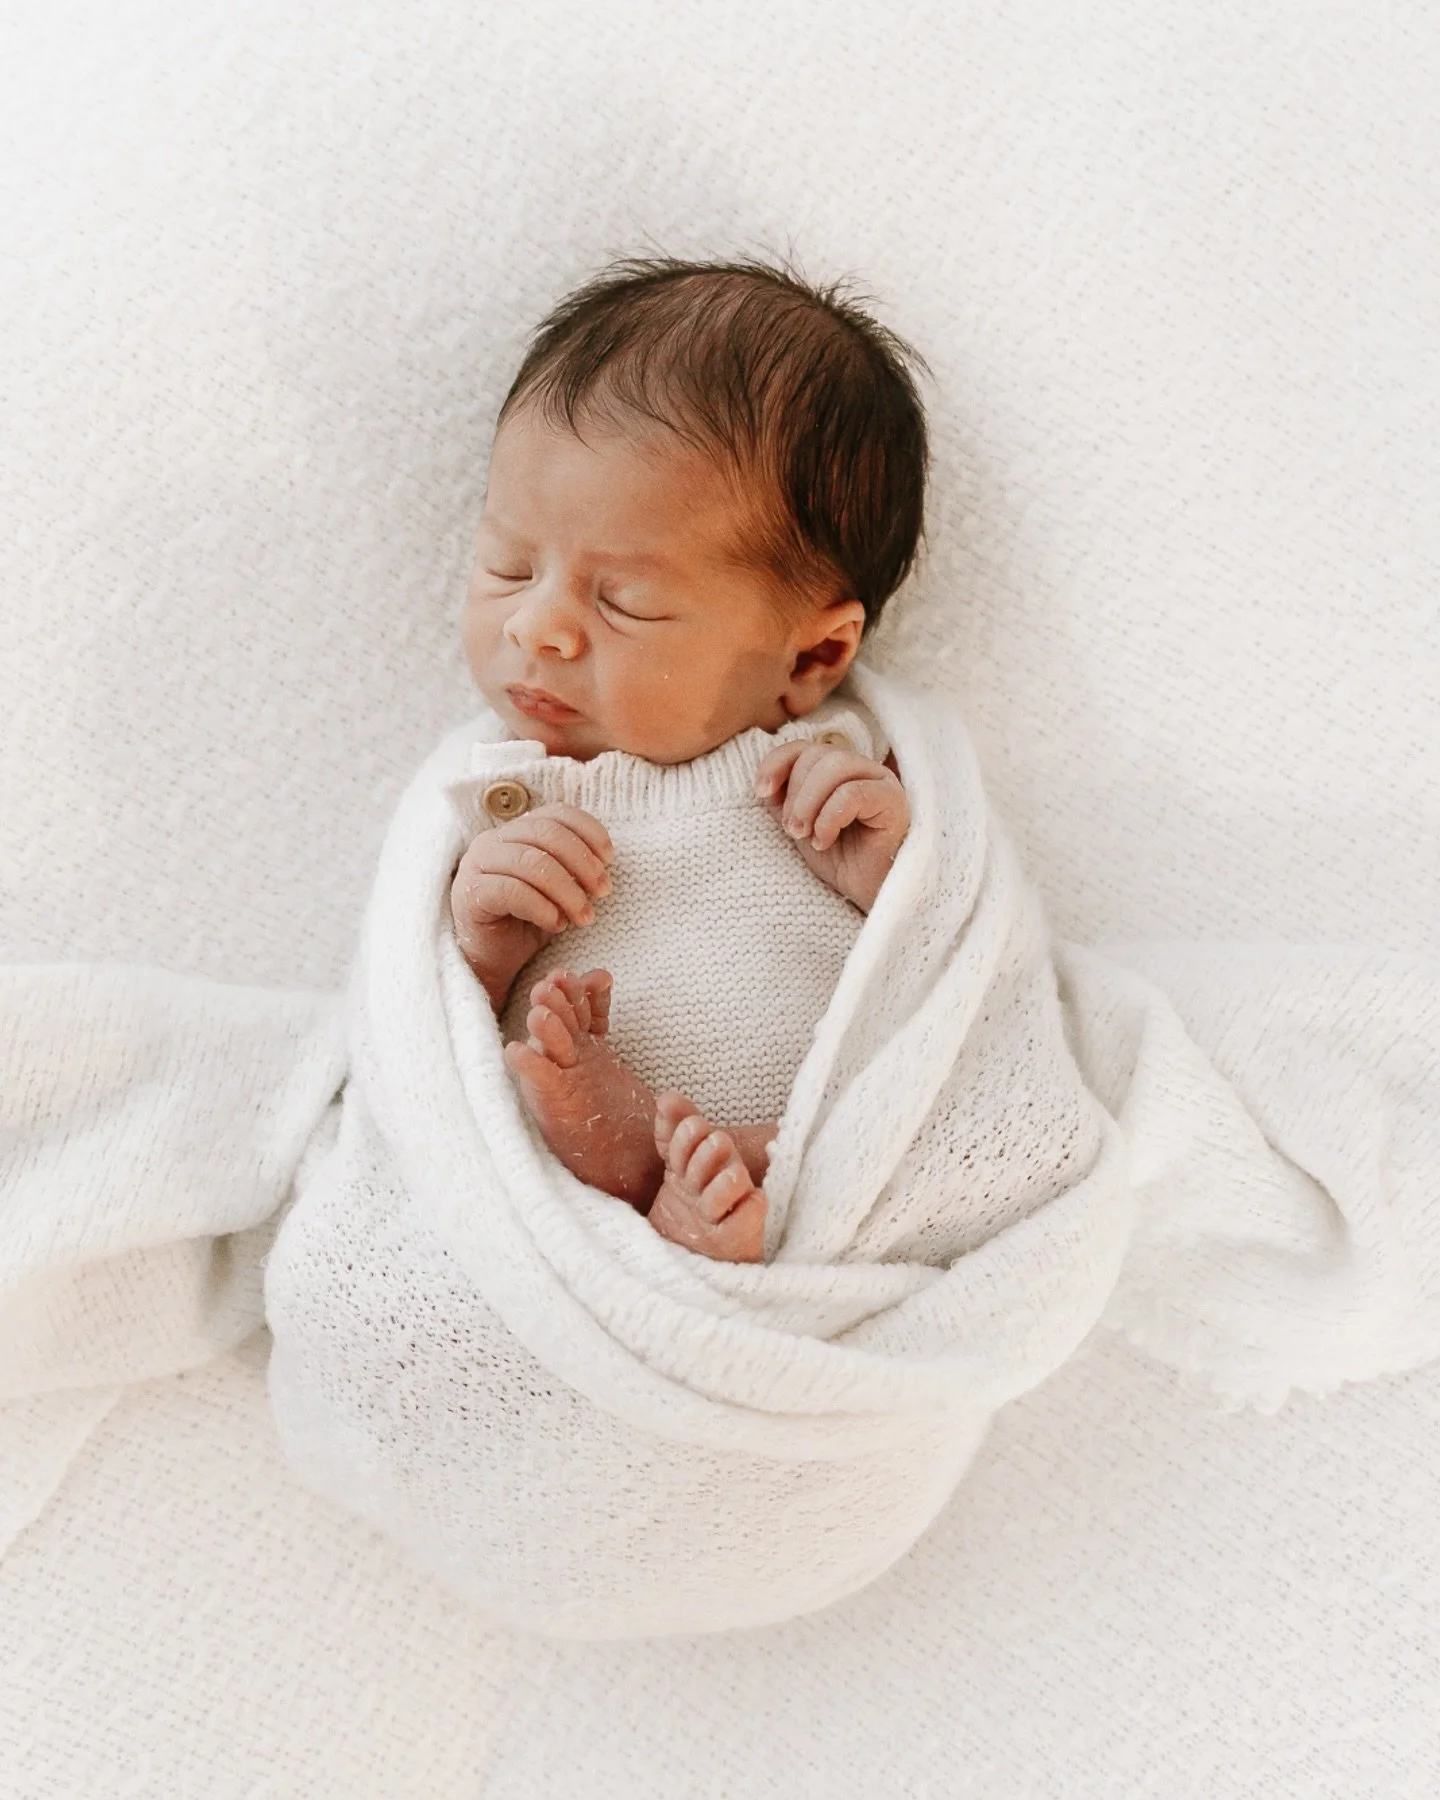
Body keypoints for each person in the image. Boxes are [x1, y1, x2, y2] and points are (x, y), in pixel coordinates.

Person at [448, 255, 926, 1263]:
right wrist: (480, 941)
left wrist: (895, 877)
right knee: (538, 1074)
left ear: (814, 656)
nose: (538, 628)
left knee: (862, 1136)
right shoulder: (499, 796)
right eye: (509, 564)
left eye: (623, 601)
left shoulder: (834, 777)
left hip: (813, 1162)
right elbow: (420, 1035)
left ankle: (709, 1192)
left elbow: (953, 979)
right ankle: (637, 1171)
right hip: (554, 1227)